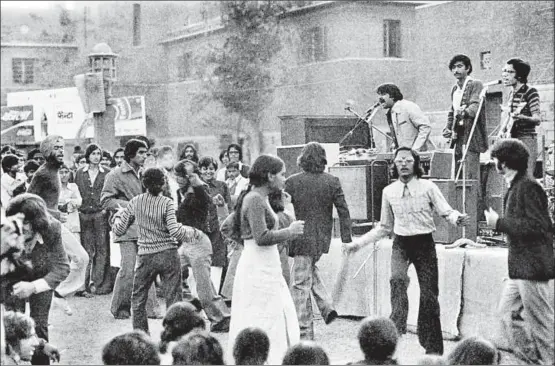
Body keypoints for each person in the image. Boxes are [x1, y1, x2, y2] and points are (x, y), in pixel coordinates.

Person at [344, 146, 469, 355]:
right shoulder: (388, 191)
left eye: (408, 161)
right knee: (397, 279)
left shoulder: (428, 187)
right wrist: (358, 244)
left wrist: (458, 218)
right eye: (399, 160)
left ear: (416, 164)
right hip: (401, 243)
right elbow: (384, 227)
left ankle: (433, 348)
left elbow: (446, 212)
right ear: (394, 164)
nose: (403, 164)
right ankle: (397, 326)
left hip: (424, 244)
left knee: (429, 297)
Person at [227, 154, 305, 364]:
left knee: (275, 311)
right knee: (264, 314)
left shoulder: (256, 198)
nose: (284, 179)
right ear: (270, 176)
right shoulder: (254, 199)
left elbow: (231, 227)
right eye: (281, 174)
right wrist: (289, 231)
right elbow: (261, 237)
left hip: (264, 263)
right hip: (258, 266)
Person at [484, 138, 554, 365]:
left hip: (532, 268)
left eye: (495, 159)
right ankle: (534, 361)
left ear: (503, 163)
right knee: (506, 315)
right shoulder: (519, 186)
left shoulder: (527, 187)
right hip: (521, 268)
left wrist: (498, 224)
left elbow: (538, 227)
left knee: (542, 325)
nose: (494, 163)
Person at [112, 167, 200, 334]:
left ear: (143, 183)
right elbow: (174, 230)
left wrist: (116, 218)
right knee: (174, 298)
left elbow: (119, 230)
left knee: (138, 298)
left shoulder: (135, 202)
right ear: (163, 183)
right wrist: (192, 234)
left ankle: (141, 335)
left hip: (146, 255)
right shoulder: (167, 202)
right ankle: (175, 335)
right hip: (168, 254)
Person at [285, 142, 351, 340]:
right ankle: (326, 307)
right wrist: (346, 238)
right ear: (323, 159)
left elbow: (282, 208)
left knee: (299, 284)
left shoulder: (291, 182)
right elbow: (343, 210)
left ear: (302, 159)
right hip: (321, 238)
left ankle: (304, 331)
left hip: (299, 236)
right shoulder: (332, 181)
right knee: (309, 272)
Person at [4, 193, 70, 365]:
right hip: (9, 282)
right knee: (10, 325)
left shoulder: (52, 228)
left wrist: (34, 287)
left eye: (25, 222)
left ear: (38, 222)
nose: (20, 227)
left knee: (39, 324)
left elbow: (62, 267)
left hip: (41, 278)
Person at [101, 139, 162, 320]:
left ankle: (151, 309)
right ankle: (120, 308)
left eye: (146, 153)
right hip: (126, 227)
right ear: (131, 154)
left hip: (146, 227)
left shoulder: (146, 174)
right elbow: (105, 200)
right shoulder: (115, 175)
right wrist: (132, 205)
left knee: (148, 268)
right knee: (128, 269)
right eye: (141, 152)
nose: (145, 156)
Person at [27, 136, 90, 301]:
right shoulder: (42, 173)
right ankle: (49, 297)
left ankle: (58, 293)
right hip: (45, 228)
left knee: (81, 258)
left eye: (62, 147)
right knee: (68, 262)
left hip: (54, 225)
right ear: (47, 151)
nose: (61, 151)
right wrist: (55, 214)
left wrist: (59, 209)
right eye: (56, 148)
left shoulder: (54, 171)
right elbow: (29, 202)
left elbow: (47, 201)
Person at [174, 159, 231, 333]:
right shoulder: (181, 192)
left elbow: (206, 200)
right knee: (173, 271)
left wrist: (195, 179)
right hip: (187, 241)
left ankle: (220, 318)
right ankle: (189, 309)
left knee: (204, 286)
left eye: (180, 175)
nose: (177, 178)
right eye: (176, 175)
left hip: (199, 241)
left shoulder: (199, 191)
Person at [442, 54, 488, 184]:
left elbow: (475, 106)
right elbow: (452, 111)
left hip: (471, 134)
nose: (456, 70)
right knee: (457, 172)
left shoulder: (475, 84)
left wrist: (465, 112)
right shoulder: (455, 89)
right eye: (453, 67)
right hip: (458, 135)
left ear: (468, 68)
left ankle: (473, 202)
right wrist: (448, 128)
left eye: (460, 66)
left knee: (471, 173)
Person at [74, 143, 112, 295]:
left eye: (98, 153)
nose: (96, 156)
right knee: (87, 249)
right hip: (84, 214)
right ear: (88, 155)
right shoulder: (79, 172)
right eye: (93, 153)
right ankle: (85, 282)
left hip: (100, 214)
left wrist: (104, 210)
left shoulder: (107, 172)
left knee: (102, 248)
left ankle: (97, 282)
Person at [52, 164, 84, 316]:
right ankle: (55, 292)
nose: (63, 175)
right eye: (61, 172)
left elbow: (78, 202)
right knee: (60, 260)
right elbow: (54, 205)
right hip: (57, 226)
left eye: (66, 172)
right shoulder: (53, 187)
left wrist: (68, 203)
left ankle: (62, 291)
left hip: (73, 224)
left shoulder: (73, 186)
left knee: (79, 258)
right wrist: (64, 204)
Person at [501, 58, 542, 177]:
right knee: (513, 176)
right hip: (513, 139)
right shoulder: (511, 93)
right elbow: (510, 118)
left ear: (519, 75)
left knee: (526, 177)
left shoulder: (530, 92)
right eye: (504, 71)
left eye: (510, 72)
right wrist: (502, 129)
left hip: (526, 139)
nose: (505, 75)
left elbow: (537, 119)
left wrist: (522, 117)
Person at [199, 156, 231, 291]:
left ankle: (215, 292)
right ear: (200, 170)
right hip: (200, 229)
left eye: (211, 169)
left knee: (218, 260)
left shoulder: (222, 186)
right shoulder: (196, 187)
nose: (208, 172)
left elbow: (228, 207)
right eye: (205, 168)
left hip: (217, 228)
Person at [376, 83, 433, 151]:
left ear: (392, 96)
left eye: (383, 94)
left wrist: (415, 149)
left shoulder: (408, 107)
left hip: (418, 156)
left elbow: (425, 127)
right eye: (379, 95)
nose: (379, 98)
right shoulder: (392, 112)